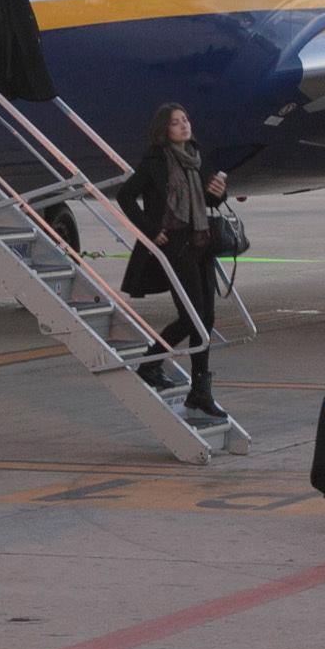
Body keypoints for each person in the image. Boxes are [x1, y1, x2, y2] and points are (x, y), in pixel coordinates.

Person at [120, 102, 230, 421]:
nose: (184, 126)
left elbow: (207, 199)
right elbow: (127, 195)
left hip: (201, 242)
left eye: (185, 120)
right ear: (163, 130)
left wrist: (219, 192)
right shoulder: (156, 160)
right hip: (177, 245)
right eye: (176, 123)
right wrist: (151, 230)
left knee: (205, 318)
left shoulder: (196, 156)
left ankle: (200, 392)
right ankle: (150, 363)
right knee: (190, 317)